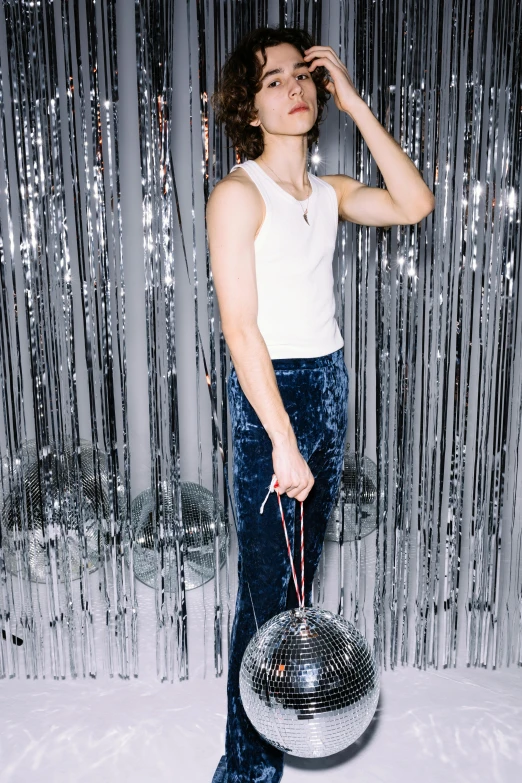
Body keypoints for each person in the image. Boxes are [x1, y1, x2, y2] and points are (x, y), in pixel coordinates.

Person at [206, 25, 435, 783]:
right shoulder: (239, 194)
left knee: (297, 585)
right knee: (266, 593)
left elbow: (415, 202)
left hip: (328, 387)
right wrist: (280, 439)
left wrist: (357, 100)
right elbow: (241, 330)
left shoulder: (329, 193)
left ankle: (269, 735)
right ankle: (245, 768)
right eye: (273, 80)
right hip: (271, 396)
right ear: (248, 104)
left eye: (302, 76)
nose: (294, 87)